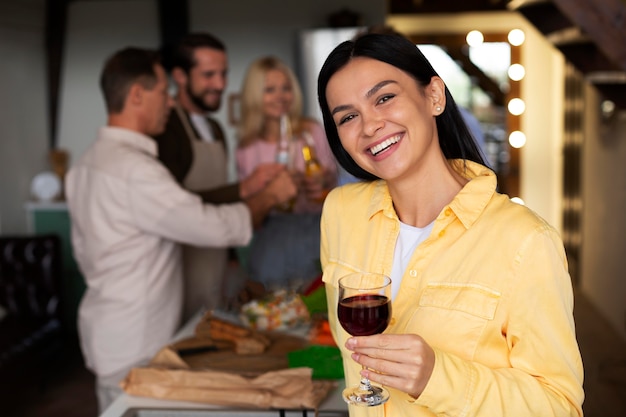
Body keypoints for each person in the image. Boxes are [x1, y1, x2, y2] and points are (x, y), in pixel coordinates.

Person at [317, 34, 584, 416]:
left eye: (384, 98)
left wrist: (437, 377)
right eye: (347, 116)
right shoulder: (340, 213)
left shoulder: (526, 241)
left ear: (434, 97)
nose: (370, 125)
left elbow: (560, 406)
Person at [65, 47, 296, 413]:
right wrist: (269, 196)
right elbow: (214, 226)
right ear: (137, 95)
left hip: (106, 324)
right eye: (163, 92)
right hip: (137, 336)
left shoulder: (86, 163)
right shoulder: (135, 170)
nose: (170, 103)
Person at [154, 33, 285, 320]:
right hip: (180, 268)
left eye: (223, 74)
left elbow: (217, 199)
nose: (221, 84)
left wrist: (231, 261)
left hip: (214, 262)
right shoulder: (167, 129)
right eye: (209, 75)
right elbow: (172, 206)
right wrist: (245, 188)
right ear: (180, 76)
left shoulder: (214, 129)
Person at [236, 56, 338, 290]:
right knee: (275, 311)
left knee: (319, 304)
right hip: (273, 239)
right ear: (254, 95)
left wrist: (323, 182)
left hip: (318, 232)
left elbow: (334, 181)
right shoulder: (247, 148)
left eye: (286, 88)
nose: (280, 96)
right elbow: (248, 210)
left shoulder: (312, 132)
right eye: (270, 90)